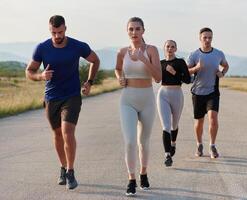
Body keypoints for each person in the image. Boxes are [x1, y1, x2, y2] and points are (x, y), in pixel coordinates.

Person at [25, 15, 100, 190]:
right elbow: (29, 71)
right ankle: (63, 167)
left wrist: (89, 82)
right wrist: (40, 76)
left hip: (72, 95)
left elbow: (95, 60)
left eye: (60, 32)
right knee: (58, 134)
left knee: (67, 131)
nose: (57, 36)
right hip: (51, 98)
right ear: (49, 30)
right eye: (54, 32)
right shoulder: (42, 48)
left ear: (66, 28)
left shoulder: (77, 46)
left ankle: (71, 172)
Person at [115, 17, 161, 196]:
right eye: (131, 29)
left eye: (137, 29)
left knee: (144, 141)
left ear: (143, 31)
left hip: (147, 99)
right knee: (130, 141)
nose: (134, 33)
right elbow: (118, 68)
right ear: (127, 31)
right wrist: (119, 77)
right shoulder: (122, 51)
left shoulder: (151, 50)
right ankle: (131, 179)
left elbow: (158, 77)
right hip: (128, 99)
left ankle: (143, 173)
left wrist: (144, 59)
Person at [186, 27, 229, 159]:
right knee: (199, 122)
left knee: (213, 119)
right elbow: (187, 72)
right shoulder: (194, 55)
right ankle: (199, 144)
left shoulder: (218, 53)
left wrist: (222, 73)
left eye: (210, 37)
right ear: (200, 38)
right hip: (198, 92)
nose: (207, 40)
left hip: (213, 92)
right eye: (205, 37)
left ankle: (212, 145)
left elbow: (226, 65)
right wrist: (197, 68)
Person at [157, 40, 190, 167]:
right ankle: (167, 155)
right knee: (165, 126)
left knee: (174, 125)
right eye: (167, 46)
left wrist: (175, 73)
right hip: (163, 93)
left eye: (172, 46)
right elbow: (156, 79)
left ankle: (173, 143)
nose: (170, 48)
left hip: (177, 93)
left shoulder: (180, 62)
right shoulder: (160, 63)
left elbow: (187, 80)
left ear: (176, 49)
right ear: (164, 48)